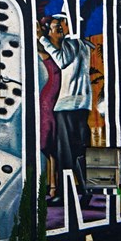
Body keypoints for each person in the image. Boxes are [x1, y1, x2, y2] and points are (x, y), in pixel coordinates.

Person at [38, 14, 93, 207]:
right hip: (81, 104)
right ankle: (85, 190)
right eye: (58, 26)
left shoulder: (71, 44)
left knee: (65, 153)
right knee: (78, 151)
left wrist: (42, 39)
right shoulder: (84, 45)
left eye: (62, 24)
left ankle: (65, 194)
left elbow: (62, 61)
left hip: (67, 105)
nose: (61, 27)